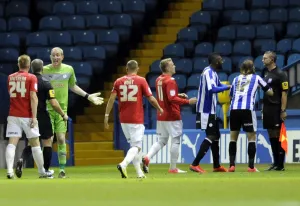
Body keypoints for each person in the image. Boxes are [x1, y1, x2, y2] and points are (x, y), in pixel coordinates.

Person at [42, 47, 104, 178]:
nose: (55, 57)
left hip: (62, 110)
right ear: (50, 57)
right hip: (47, 109)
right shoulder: (44, 70)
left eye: (58, 55)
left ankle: (62, 169)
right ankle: (45, 170)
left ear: (62, 57)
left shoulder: (69, 69)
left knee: (60, 139)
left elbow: (73, 86)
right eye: (53, 55)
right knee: (48, 140)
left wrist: (88, 96)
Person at [104, 60, 163, 178]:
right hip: (136, 118)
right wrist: (159, 108)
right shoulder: (141, 80)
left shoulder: (118, 81)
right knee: (137, 146)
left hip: (123, 119)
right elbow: (151, 98)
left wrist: (106, 115)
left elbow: (111, 99)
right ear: (137, 69)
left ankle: (139, 173)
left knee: (134, 146)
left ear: (126, 69)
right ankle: (123, 164)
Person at [142, 58, 197, 174]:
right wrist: (188, 102)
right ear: (167, 68)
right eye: (172, 64)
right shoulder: (170, 80)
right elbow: (172, 99)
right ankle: (173, 168)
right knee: (176, 140)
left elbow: (168, 96)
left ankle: (147, 157)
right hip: (172, 115)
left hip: (161, 114)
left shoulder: (158, 79)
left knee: (162, 140)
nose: (174, 66)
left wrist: (178, 95)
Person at [15, 59, 69, 178]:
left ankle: (21, 160)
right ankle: (46, 170)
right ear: (42, 68)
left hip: (27, 115)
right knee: (47, 141)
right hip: (42, 115)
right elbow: (53, 103)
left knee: (32, 143)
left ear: (32, 68)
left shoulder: (27, 81)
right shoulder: (46, 82)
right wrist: (63, 114)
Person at [5, 55, 53, 179]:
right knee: (35, 143)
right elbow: (33, 97)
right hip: (26, 115)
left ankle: (9, 171)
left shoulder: (10, 77)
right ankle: (42, 171)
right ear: (29, 64)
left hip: (13, 114)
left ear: (19, 64)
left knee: (12, 144)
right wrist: (34, 117)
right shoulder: (31, 77)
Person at [228, 60, 273, 172]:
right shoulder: (256, 78)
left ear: (241, 68)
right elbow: (269, 91)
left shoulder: (235, 79)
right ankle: (251, 167)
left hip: (234, 109)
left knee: (233, 138)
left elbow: (230, 95)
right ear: (252, 68)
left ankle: (232, 166)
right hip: (247, 109)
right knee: (251, 137)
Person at [189, 53, 231, 173]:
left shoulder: (214, 73)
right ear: (214, 61)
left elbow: (218, 85)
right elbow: (212, 89)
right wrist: (227, 88)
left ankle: (217, 166)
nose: (221, 61)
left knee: (216, 136)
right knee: (211, 135)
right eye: (220, 60)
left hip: (211, 110)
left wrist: (229, 86)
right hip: (205, 110)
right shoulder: (208, 72)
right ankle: (195, 164)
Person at [262, 51, 288, 171]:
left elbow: (284, 93)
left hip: (276, 108)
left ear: (272, 59)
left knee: (278, 135)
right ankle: (275, 162)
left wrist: (283, 110)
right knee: (271, 135)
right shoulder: (267, 74)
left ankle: (280, 164)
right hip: (267, 108)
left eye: (265, 58)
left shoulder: (281, 74)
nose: (263, 60)